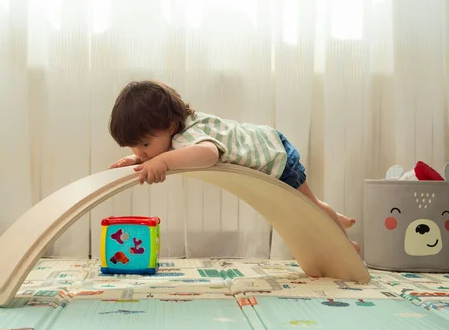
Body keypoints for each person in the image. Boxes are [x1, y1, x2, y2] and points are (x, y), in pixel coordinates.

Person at [108, 80, 360, 253]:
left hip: (275, 156)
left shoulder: (189, 136)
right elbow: (163, 150)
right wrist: (140, 160)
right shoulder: (174, 132)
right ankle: (334, 216)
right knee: (310, 208)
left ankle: (347, 245)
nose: (141, 153)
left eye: (144, 145)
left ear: (171, 128)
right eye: (133, 147)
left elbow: (208, 154)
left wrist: (160, 160)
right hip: (268, 142)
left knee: (311, 207)